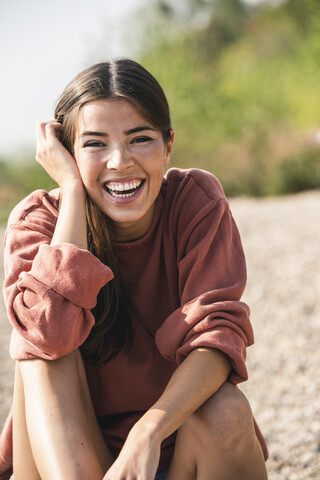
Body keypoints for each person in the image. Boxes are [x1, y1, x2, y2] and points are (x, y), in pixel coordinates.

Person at [0, 59, 268, 480]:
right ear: (66, 155)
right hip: (67, 463)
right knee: (42, 343)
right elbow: (46, 335)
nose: (119, 161)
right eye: (94, 144)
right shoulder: (38, 219)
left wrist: (147, 433)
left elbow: (218, 338)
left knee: (226, 409)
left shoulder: (195, 202)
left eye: (139, 138)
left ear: (168, 145)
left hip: (176, 454)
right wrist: (72, 193)